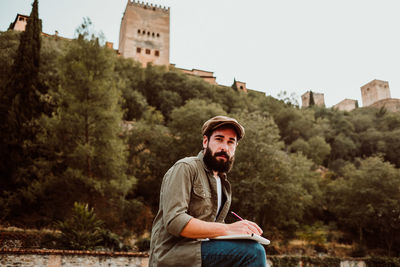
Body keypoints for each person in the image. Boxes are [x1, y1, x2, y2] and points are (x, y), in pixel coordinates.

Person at [149, 115, 267, 267]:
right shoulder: (185, 168)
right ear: (205, 141)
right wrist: (229, 229)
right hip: (173, 255)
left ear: (235, 148)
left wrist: (241, 233)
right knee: (253, 253)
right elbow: (174, 221)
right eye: (219, 139)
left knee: (252, 248)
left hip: (204, 251)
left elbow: (214, 230)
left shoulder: (223, 184)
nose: (224, 147)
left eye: (231, 142)